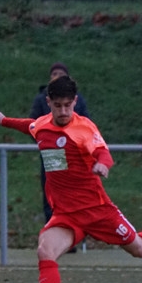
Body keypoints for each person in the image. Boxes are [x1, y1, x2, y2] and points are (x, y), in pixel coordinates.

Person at [0, 74, 142, 283]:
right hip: (66, 215)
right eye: (58, 105)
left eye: (68, 105)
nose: (63, 111)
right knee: (45, 249)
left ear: (75, 101)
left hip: (97, 210)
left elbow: (103, 152)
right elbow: (29, 125)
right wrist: (4, 121)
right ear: (48, 103)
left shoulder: (84, 128)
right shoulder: (42, 125)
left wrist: (103, 165)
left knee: (137, 250)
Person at [30, 62, 90, 223]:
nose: (57, 77)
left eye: (61, 74)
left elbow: (86, 123)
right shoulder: (42, 99)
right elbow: (33, 123)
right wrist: (47, 141)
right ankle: (53, 228)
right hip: (52, 153)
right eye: (54, 74)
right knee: (52, 194)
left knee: (75, 193)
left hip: (74, 154)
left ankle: (75, 229)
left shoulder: (77, 100)